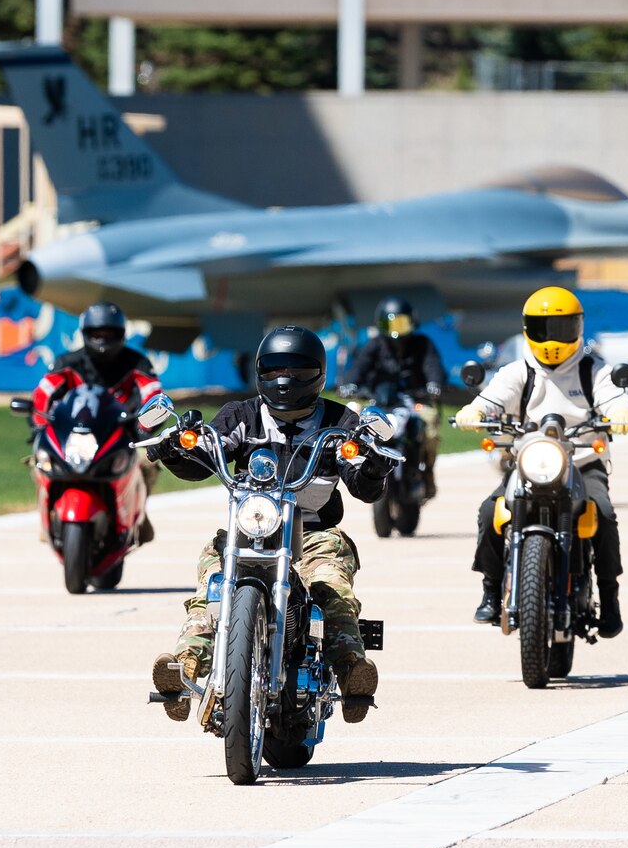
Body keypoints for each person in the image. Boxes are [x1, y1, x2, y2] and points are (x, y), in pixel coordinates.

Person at [146, 326, 387, 724]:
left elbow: (362, 482)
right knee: (213, 587)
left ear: (318, 373)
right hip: (249, 530)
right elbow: (205, 455)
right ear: (260, 372)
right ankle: (183, 668)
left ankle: (351, 669)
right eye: (275, 369)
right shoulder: (241, 416)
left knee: (331, 587)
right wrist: (175, 448)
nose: (284, 380)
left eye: (295, 370)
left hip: (314, 535)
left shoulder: (340, 420)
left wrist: (374, 467)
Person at [455, 287, 628, 637]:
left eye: (561, 328)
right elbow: (494, 398)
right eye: (544, 329)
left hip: (583, 462)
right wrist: (475, 410)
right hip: (529, 462)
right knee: (488, 511)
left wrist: (622, 412)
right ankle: (491, 589)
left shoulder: (593, 370)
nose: (552, 339)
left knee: (604, 513)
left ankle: (610, 597)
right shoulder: (519, 370)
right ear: (528, 330)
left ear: (578, 327)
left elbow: (614, 397)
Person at [33, 302, 165, 541]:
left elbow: (153, 396)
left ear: (121, 334)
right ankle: (48, 516)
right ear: (86, 334)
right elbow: (43, 395)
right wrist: (39, 426)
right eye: (97, 333)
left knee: (148, 464)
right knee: (38, 461)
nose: (103, 340)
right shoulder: (67, 363)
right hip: (73, 436)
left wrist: (144, 428)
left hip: (122, 434)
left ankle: (139, 515)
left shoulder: (138, 363)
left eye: (109, 334)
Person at [338, 296, 446, 497]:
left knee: (430, 429)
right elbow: (359, 367)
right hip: (380, 401)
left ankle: (428, 471)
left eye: (402, 323)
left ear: (412, 322)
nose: (396, 330)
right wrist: (350, 384)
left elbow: (433, 366)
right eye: (390, 323)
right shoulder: (374, 345)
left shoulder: (422, 344)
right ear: (381, 324)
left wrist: (434, 384)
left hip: (414, 401)